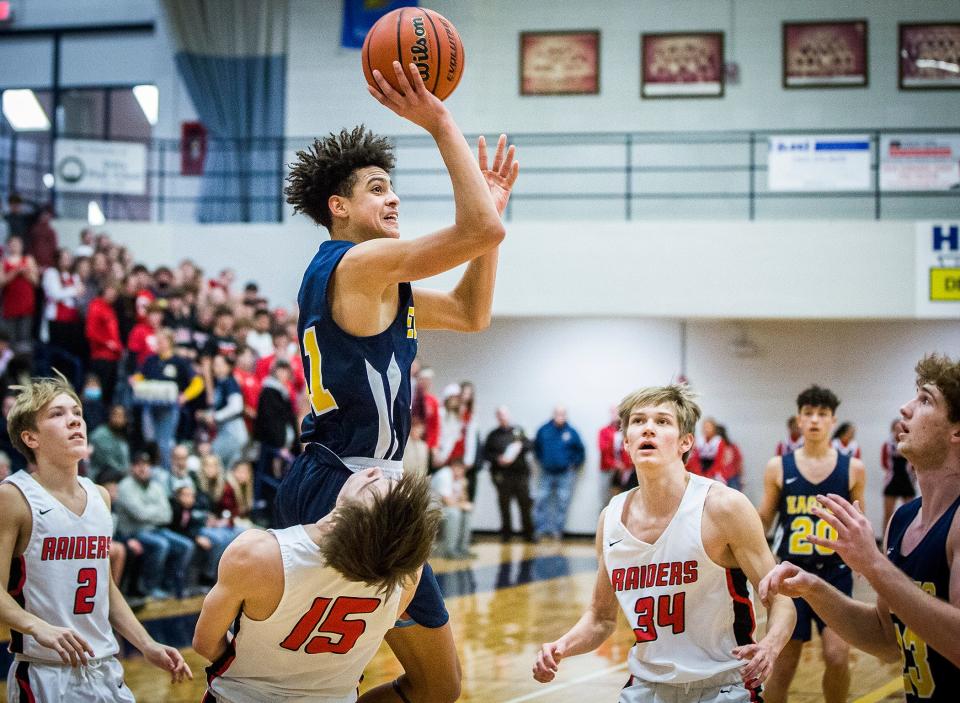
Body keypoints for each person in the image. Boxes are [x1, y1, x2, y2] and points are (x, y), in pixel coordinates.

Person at [275, 58, 518, 703]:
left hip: (362, 483)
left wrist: (488, 228)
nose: (394, 197)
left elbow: (472, 313)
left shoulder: (382, 280)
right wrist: (438, 120)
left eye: (391, 186)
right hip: (341, 484)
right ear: (339, 207)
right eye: (378, 188)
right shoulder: (355, 264)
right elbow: (478, 228)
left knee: (429, 687)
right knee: (355, 680)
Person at [532, 384, 796, 700]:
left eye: (662, 421)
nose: (648, 429)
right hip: (646, 686)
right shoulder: (611, 518)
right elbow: (601, 619)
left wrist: (770, 645)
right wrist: (562, 645)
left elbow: (781, 601)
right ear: (626, 441)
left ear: (686, 442)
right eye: (639, 421)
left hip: (723, 685)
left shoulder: (724, 507)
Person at [760, 353, 960, 702]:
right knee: (786, 662)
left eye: (925, 399)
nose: (905, 407)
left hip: (838, 567)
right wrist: (812, 589)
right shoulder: (903, 519)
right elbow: (885, 638)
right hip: (807, 563)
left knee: (836, 658)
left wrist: (874, 564)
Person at [0, 374, 191, 701]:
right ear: (30, 437)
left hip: (105, 669)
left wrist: (145, 643)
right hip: (45, 672)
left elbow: (105, 585)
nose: (74, 419)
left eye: (76, 412)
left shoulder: (100, 496)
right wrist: (36, 626)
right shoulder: (14, 498)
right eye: (57, 414)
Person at [195, 469, 440, 703]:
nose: (376, 470)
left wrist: (254, 670)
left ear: (350, 516)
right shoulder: (408, 577)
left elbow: (205, 643)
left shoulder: (257, 554)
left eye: (374, 486)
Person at [756, 385, 867, 703]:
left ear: (833, 421)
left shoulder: (853, 468)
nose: (815, 420)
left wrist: (866, 562)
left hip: (834, 574)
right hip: (791, 576)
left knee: (836, 656)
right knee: (784, 663)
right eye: (809, 414)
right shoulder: (778, 466)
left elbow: (860, 523)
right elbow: (764, 518)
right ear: (799, 420)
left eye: (822, 414)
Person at [482, 405, 535, 543]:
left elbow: (530, 445)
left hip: (520, 475)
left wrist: (520, 447)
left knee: (525, 504)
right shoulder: (492, 435)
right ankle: (506, 535)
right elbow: (486, 454)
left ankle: (528, 534)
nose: (502, 417)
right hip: (502, 477)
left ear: (508, 415)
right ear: (497, 417)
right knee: (504, 505)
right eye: (499, 415)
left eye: (504, 414)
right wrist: (497, 459)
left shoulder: (518, 431)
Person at [533, 405, 585, 540]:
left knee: (562, 502)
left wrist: (574, 464)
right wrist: (543, 461)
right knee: (541, 500)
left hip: (565, 474)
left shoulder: (572, 432)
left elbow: (580, 451)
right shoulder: (543, 430)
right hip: (546, 472)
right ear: (553, 414)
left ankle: (557, 531)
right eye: (557, 414)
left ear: (566, 415)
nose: (560, 417)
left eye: (562, 414)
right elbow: (536, 448)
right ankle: (540, 530)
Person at [431, 457, 473, 559]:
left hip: (444, 508)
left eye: (463, 471)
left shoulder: (458, 479)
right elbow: (447, 502)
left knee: (465, 513)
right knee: (454, 513)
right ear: (453, 467)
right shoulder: (444, 475)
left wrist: (463, 486)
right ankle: (450, 550)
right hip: (431, 509)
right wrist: (463, 505)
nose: (462, 473)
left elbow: (463, 500)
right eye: (460, 469)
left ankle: (463, 549)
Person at [881, 416, 917, 528]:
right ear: (892, 430)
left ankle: (906, 542)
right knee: (888, 514)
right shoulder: (887, 445)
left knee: (909, 515)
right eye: (896, 429)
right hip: (892, 480)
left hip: (907, 480)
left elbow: (915, 462)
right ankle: (884, 543)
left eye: (901, 429)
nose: (898, 431)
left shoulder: (911, 443)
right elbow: (884, 462)